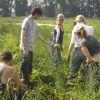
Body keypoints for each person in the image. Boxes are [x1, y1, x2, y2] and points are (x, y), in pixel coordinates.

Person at [20, 7, 42, 86]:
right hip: (25, 48)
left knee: (29, 67)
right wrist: (25, 49)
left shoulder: (33, 22)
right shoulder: (26, 21)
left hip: (30, 48)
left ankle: (27, 83)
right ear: (35, 14)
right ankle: (23, 85)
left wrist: (48, 43)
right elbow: (23, 35)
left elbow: (38, 35)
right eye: (39, 16)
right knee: (24, 67)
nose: (39, 17)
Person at [67, 15, 94, 80]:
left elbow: (72, 43)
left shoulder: (75, 28)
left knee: (74, 69)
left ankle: (70, 82)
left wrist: (68, 54)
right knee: (87, 70)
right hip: (87, 51)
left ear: (76, 21)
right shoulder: (91, 28)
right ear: (84, 21)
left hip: (77, 50)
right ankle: (88, 85)